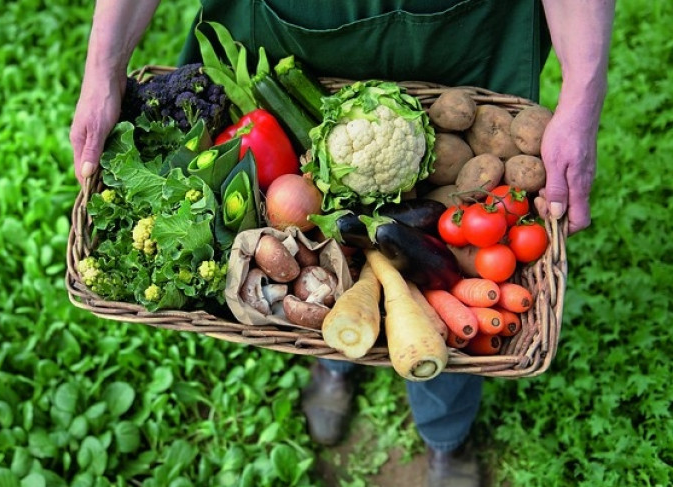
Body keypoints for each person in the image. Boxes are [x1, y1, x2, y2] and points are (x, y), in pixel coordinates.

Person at [70, 1, 615, 485]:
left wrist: (585, 95)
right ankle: (335, 356)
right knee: (337, 273)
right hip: (290, 29)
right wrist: (102, 68)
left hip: (460, 36)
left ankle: (444, 431)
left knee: (442, 293)